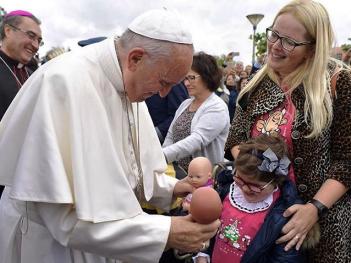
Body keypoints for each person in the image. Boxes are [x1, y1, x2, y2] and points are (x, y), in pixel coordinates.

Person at [0, 9, 220, 263]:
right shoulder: (63, 82)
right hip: (48, 246)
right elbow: (62, 217)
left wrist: (172, 188)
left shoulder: (130, 84)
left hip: (100, 242)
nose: (163, 94)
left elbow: (130, 167)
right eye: (163, 82)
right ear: (135, 59)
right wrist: (164, 233)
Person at [225, 1, 351, 262]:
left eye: (289, 42)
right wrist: (259, 174)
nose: (275, 46)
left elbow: (346, 161)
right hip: (258, 214)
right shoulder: (254, 84)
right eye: (274, 35)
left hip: (323, 226)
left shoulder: (338, 82)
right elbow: (235, 140)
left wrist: (313, 209)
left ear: (312, 49)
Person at [197, 135, 310, 263]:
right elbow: (207, 227)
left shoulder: (283, 215)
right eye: (239, 179)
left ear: (276, 181)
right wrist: (203, 253)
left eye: (255, 186)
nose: (244, 189)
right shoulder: (226, 191)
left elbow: (285, 259)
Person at [162, 51, 230, 172]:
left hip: (203, 180)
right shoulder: (185, 104)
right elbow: (170, 136)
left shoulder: (217, 107)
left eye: (192, 78)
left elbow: (197, 140)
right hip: (177, 176)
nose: (186, 83)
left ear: (207, 76)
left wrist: (163, 155)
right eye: (185, 78)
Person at [0, 10, 42, 196]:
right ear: (8, 31)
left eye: (39, 41)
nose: (35, 45)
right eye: (31, 36)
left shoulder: (35, 72)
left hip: (27, 172)